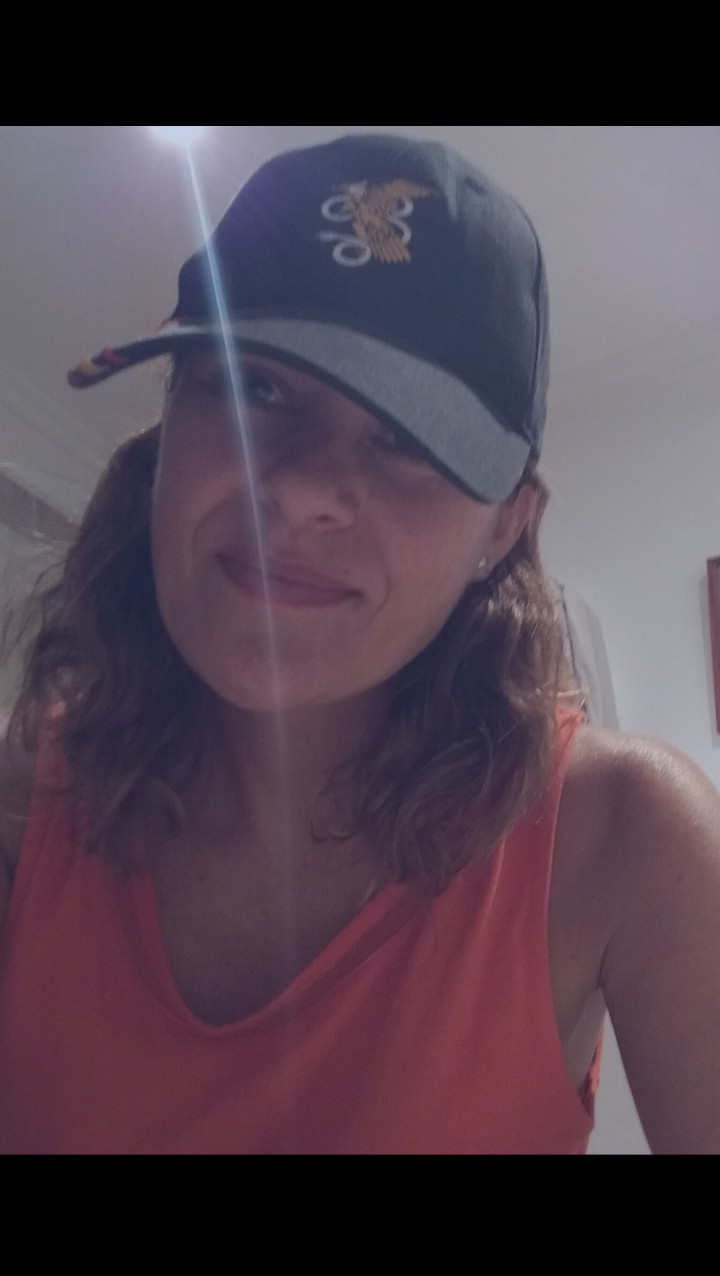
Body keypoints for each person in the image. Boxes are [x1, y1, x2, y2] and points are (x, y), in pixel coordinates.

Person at [1, 133, 719, 1154]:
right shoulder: (29, 798)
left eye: (405, 438)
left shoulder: (626, 839)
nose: (298, 488)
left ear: (505, 525)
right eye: (253, 387)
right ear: (169, 425)